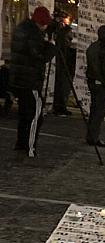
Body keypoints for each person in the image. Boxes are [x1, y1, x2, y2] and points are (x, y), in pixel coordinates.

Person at [9, 6, 54, 156]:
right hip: (30, 80)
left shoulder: (22, 28)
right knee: (36, 114)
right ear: (41, 22)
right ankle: (30, 146)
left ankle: (21, 143)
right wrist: (50, 47)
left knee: (24, 113)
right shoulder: (33, 34)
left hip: (19, 78)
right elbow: (39, 56)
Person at [51, 10, 75, 116]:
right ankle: (59, 106)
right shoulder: (58, 32)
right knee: (60, 85)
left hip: (64, 61)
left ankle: (61, 106)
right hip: (60, 62)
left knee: (64, 86)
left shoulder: (63, 32)